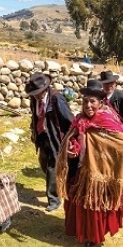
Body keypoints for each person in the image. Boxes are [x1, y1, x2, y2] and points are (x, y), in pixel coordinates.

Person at [56, 80, 123, 247]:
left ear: (100, 102)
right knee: (79, 203)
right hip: (81, 170)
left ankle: (95, 237)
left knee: (95, 206)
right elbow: (73, 140)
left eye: (92, 102)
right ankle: (82, 231)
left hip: (100, 174)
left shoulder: (106, 120)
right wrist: (71, 150)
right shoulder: (79, 120)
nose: (88, 105)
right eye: (85, 101)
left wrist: (113, 164)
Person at [26, 72, 74, 212]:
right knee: (44, 164)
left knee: (52, 168)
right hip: (42, 137)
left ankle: (54, 199)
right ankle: (58, 186)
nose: (36, 95)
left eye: (38, 92)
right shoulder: (34, 99)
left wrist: (70, 138)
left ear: (45, 89)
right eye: (34, 93)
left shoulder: (56, 99)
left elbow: (69, 119)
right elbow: (34, 116)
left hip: (55, 137)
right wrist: (34, 132)